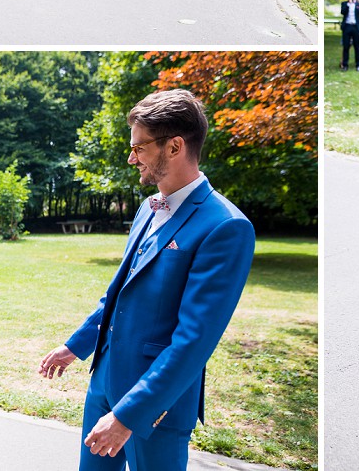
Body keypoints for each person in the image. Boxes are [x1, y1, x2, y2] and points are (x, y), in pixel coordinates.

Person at [38, 90, 255, 471]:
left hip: (157, 406)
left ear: (174, 147)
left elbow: (194, 341)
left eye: (138, 147)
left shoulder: (226, 227)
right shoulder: (145, 207)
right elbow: (120, 294)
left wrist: (128, 417)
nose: (130, 156)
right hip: (103, 384)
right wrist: (75, 346)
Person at [339, 0, 359, 71]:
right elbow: (342, 12)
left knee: (357, 46)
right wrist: (348, 4)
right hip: (347, 26)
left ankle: (358, 64)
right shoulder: (344, 4)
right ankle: (345, 65)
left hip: (356, 27)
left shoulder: (358, 4)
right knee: (346, 46)